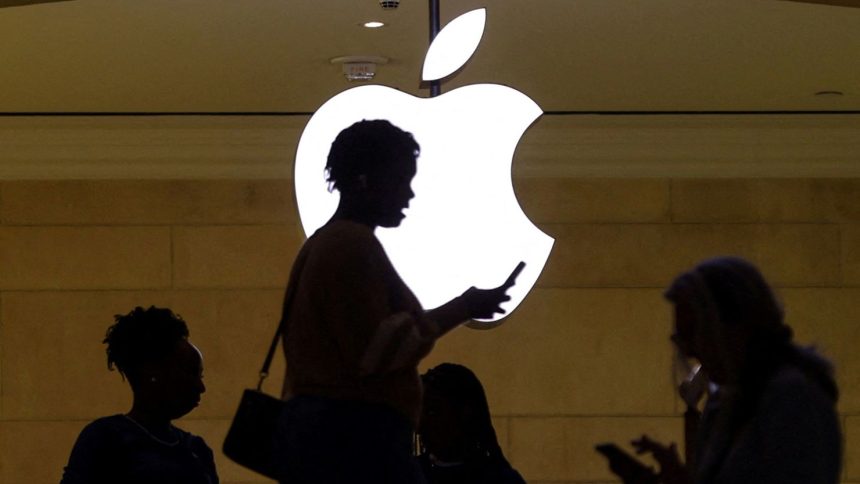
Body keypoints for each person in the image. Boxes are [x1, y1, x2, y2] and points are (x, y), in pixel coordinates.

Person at [274, 119, 520, 484]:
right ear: (366, 180)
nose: (408, 194)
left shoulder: (326, 243)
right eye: (400, 179)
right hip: (357, 444)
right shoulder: (351, 245)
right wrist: (462, 308)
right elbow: (377, 351)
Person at [621, 257, 841, 484]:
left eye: (694, 334)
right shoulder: (728, 402)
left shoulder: (792, 401)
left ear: (734, 328)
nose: (688, 352)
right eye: (682, 338)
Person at [61, 306, 218, 484]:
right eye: (190, 373)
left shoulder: (197, 450)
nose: (201, 386)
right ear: (152, 371)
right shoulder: (106, 438)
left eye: (200, 376)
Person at [417, 363, 526, 484]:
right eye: (419, 412)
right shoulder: (406, 475)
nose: (421, 423)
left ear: (465, 414)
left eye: (433, 412)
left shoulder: (501, 479)